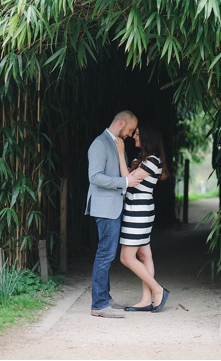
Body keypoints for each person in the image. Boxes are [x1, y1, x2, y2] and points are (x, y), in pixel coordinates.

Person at [86, 110, 141, 318]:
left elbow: (121, 171)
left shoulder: (117, 144)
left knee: (106, 253)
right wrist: (125, 182)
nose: (130, 133)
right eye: (130, 129)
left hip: (113, 206)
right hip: (105, 207)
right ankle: (99, 305)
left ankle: (105, 299)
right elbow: (95, 177)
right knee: (105, 254)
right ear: (121, 122)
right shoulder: (99, 143)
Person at [114, 121, 171, 313]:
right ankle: (146, 300)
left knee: (126, 257)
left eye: (137, 134)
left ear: (147, 138)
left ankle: (158, 290)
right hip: (139, 208)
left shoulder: (152, 160)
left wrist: (121, 154)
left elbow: (127, 182)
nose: (134, 137)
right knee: (144, 254)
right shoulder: (144, 159)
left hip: (138, 210)